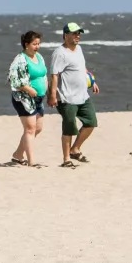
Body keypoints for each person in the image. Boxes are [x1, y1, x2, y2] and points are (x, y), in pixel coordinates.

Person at [47, 22, 99, 168]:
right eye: (74, 33)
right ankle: (66, 159)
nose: (78, 36)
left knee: (91, 122)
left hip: (83, 96)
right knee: (69, 128)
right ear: (65, 35)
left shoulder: (79, 49)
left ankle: (75, 149)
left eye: (79, 33)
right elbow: (54, 75)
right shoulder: (59, 53)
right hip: (67, 98)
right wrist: (52, 96)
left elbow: (82, 68)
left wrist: (92, 81)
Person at [7, 30, 47, 167]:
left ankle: (18, 154)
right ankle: (31, 162)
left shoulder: (39, 57)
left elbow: (43, 74)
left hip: (39, 98)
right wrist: (28, 89)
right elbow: (13, 80)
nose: (37, 46)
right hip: (24, 99)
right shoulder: (20, 59)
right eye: (34, 44)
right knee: (30, 129)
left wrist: (48, 91)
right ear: (26, 44)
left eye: (38, 44)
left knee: (38, 128)